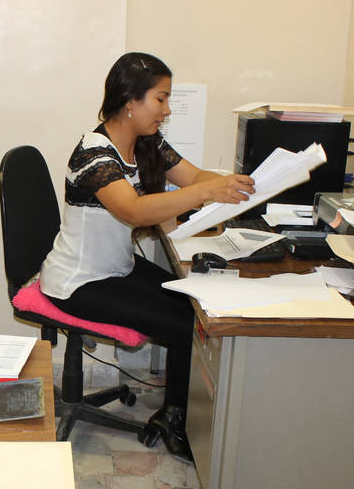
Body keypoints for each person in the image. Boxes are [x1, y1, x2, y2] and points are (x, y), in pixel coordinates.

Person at [39, 52, 254, 459]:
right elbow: (133, 211)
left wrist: (238, 184)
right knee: (185, 323)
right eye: (161, 98)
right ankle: (175, 421)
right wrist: (206, 192)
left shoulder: (145, 143)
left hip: (115, 269)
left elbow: (193, 177)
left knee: (194, 306)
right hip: (78, 282)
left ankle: (180, 411)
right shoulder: (93, 155)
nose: (167, 110)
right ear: (129, 101)